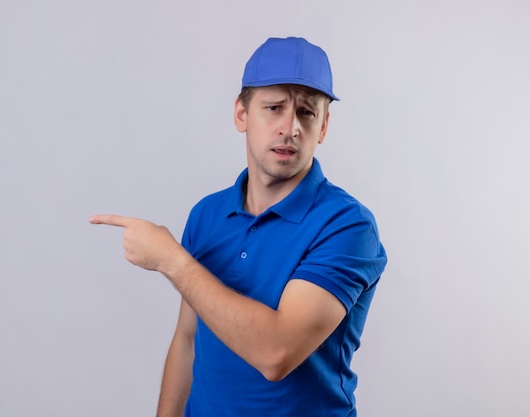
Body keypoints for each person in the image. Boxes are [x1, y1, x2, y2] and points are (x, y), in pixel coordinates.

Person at [90, 36, 387, 417]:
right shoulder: (207, 214)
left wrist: (172, 260)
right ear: (241, 115)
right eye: (274, 108)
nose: (290, 127)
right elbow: (188, 339)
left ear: (323, 127)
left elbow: (276, 354)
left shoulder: (347, 226)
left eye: (306, 113)